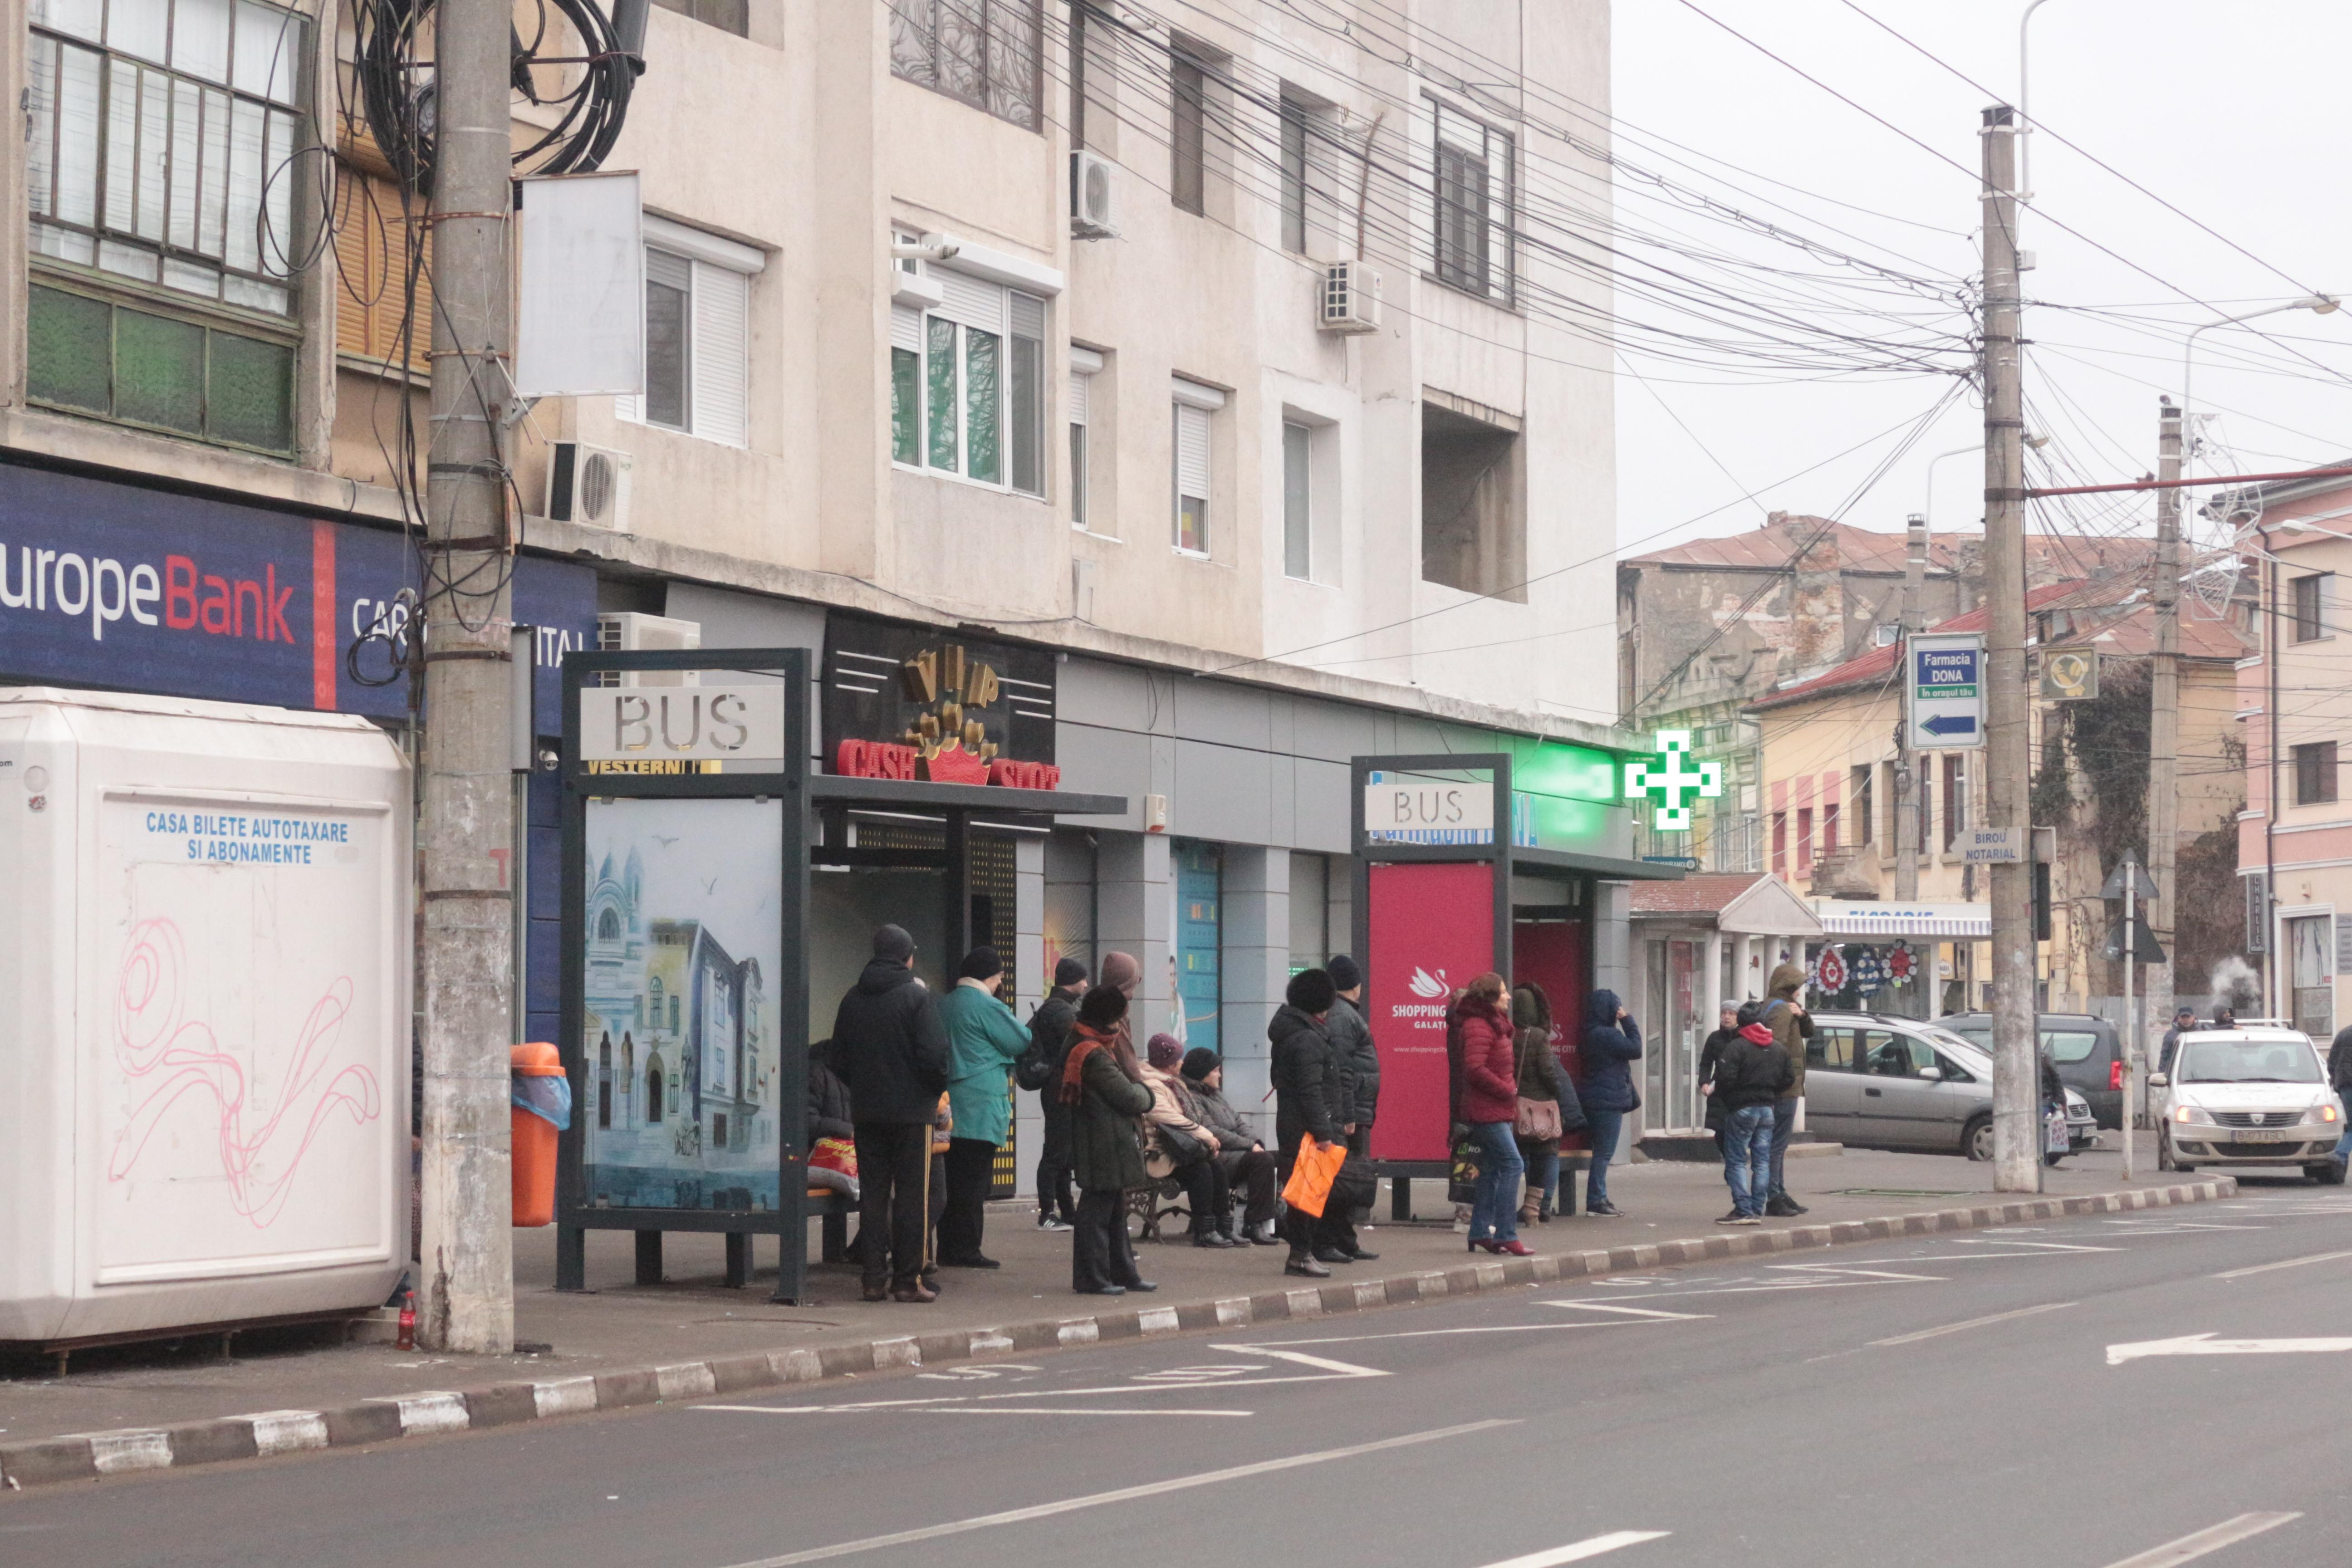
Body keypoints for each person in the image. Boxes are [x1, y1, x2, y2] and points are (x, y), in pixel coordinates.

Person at [830, 924, 951, 1303]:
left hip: (867, 1112)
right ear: (907, 957)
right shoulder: (917, 998)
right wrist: (930, 1092)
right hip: (913, 1114)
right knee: (913, 1197)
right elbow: (935, 1057)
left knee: (873, 1196)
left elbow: (838, 1058)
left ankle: (872, 1280)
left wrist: (863, 1088)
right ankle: (907, 1280)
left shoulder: (852, 998)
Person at [936, 946, 1029, 1270]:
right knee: (974, 1184)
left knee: (950, 1182)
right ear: (991, 976)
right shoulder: (988, 1006)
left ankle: (947, 1247)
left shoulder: (943, 1004)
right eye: (1000, 976)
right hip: (981, 1108)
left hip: (948, 1106)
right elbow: (1021, 1040)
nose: (1001, 982)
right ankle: (967, 1249)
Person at [1063, 983, 1156, 1296]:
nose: (1120, 1026)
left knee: (1115, 1212)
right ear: (1107, 1018)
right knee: (1097, 1214)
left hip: (1105, 1140)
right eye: (1118, 1019)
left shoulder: (1089, 1043)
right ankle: (1094, 1278)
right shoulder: (1093, 1053)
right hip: (1101, 1142)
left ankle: (1123, 1273)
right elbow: (1130, 1097)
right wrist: (1148, 1092)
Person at [1269, 967, 1345, 1279]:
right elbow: (1311, 1090)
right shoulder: (1308, 1039)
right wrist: (1324, 1132)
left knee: (1306, 1191)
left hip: (1295, 1125)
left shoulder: (1293, 1032)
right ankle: (1300, 1255)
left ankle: (1303, 1254)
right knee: (1307, 1194)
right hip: (1306, 1130)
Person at [1141, 1034, 1243, 1247]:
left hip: (1181, 1150)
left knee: (1217, 1168)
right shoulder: (1152, 1085)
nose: (1182, 1062)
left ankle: (1224, 1227)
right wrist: (1206, 1136)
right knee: (1201, 1171)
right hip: (1162, 1154)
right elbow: (1170, 1119)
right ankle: (1204, 1231)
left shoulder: (1173, 1082)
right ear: (1169, 1063)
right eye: (1179, 1058)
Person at [1456, 973, 1528, 1254]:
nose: (1508, 996)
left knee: (1492, 1169)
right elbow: (1475, 1068)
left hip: (1496, 1108)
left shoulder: (1492, 1023)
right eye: (1503, 991)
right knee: (1513, 1164)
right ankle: (1506, 1234)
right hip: (1487, 1110)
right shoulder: (1478, 1025)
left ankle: (1479, 1232)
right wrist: (1506, 1090)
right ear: (1490, 997)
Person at [1180, 1047, 1282, 1243]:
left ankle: (1281, 1219)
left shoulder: (1217, 1095)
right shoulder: (1194, 1099)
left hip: (1237, 1152)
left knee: (1281, 1158)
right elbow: (1212, 1132)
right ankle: (1254, 1224)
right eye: (1215, 1071)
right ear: (1202, 1074)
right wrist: (1249, 1146)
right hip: (1218, 1155)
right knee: (1262, 1161)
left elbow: (1240, 1123)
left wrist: (1255, 1143)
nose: (1219, 1075)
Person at [1709, 1001, 1794, 1224]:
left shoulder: (1737, 1047)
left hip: (1742, 1109)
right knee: (1762, 1161)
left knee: (1736, 1161)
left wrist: (1731, 1099)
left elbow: (1724, 1079)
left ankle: (1743, 1210)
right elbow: (1789, 1079)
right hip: (1767, 1110)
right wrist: (1771, 1094)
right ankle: (1757, 1209)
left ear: (1741, 1022)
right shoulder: (1778, 1047)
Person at [1321, 956, 1382, 1259]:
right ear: (1354, 984)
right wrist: (1347, 1115)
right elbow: (1342, 1070)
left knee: (1349, 1178)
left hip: (1355, 1107)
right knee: (1344, 1180)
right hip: (1351, 1111)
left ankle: (1345, 1239)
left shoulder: (1342, 1013)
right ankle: (1331, 1240)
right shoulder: (1343, 1016)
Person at [1022, 958, 1088, 1232]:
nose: (1086, 984)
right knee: (1056, 1152)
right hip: (1060, 1088)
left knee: (1062, 1153)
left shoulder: (1053, 1007)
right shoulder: (1062, 1011)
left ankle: (1066, 1212)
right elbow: (1078, 1047)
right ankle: (1048, 1213)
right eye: (1083, 979)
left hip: (1055, 1087)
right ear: (1073, 981)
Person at [1511, 984, 1577, 1225]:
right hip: (1539, 1108)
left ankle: (1505, 1207)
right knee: (1543, 1157)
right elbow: (1549, 1071)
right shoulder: (1538, 1036)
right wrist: (1557, 1092)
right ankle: (1535, 1209)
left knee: (1512, 1159)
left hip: (1514, 1106)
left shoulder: (1508, 1034)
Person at [1577, 989, 1642, 1218]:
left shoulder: (1589, 1032)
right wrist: (1627, 1019)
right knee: (1604, 1154)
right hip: (1608, 1100)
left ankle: (1601, 1197)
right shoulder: (1608, 1035)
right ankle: (1596, 1200)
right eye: (1616, 1008)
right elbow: (1636, 1049)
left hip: (1593, 1096)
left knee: (1600, 1152)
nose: (1617, 1012)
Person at [1760, 962, 1813, 1218]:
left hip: (1783, 1086)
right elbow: (1776, 1048)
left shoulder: (1782, 1006)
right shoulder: (1780, 1009)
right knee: (1776, 1145)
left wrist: (1802, 1015)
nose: (1800, 990)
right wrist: (1782, 1081)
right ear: (1789, 986)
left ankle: (1779, 1192)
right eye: (1798, 986)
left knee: (1777, 1145)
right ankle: (1774, 1196)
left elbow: (1809, 1032)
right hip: (1784, 1087)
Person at [1697, 1004, 1743, 1156]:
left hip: (1739, 1090)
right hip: (1719, 1089)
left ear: (1739, 1017)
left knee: (1736, 1132)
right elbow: (1706, 1063)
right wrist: (1704, 1082)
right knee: (1720, 1132)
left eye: (1731, 1013)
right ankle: (1732, 1162)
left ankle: (1735, 1164)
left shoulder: (1743, 1037)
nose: (1727, 1017)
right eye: (1724, 1013)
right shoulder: (1715, 1038)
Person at [2328, 1022, 2352, 1170]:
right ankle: (2340, 1154)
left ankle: (2340, 1157)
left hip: (2344, 1087)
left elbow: (2331, 1061)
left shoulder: (2343, 1034)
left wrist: (2336, 1081)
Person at [2158, 1005, 2197, 1076]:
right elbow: (2165, 1058)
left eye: (2188, 1017)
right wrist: (2162, 1076)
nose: (2186, 1020)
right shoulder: (2171, 1035)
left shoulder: (2202, 1032)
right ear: (2178, 1018)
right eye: (2183, 1017)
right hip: (2177, 1074)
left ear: (2193, 1017)